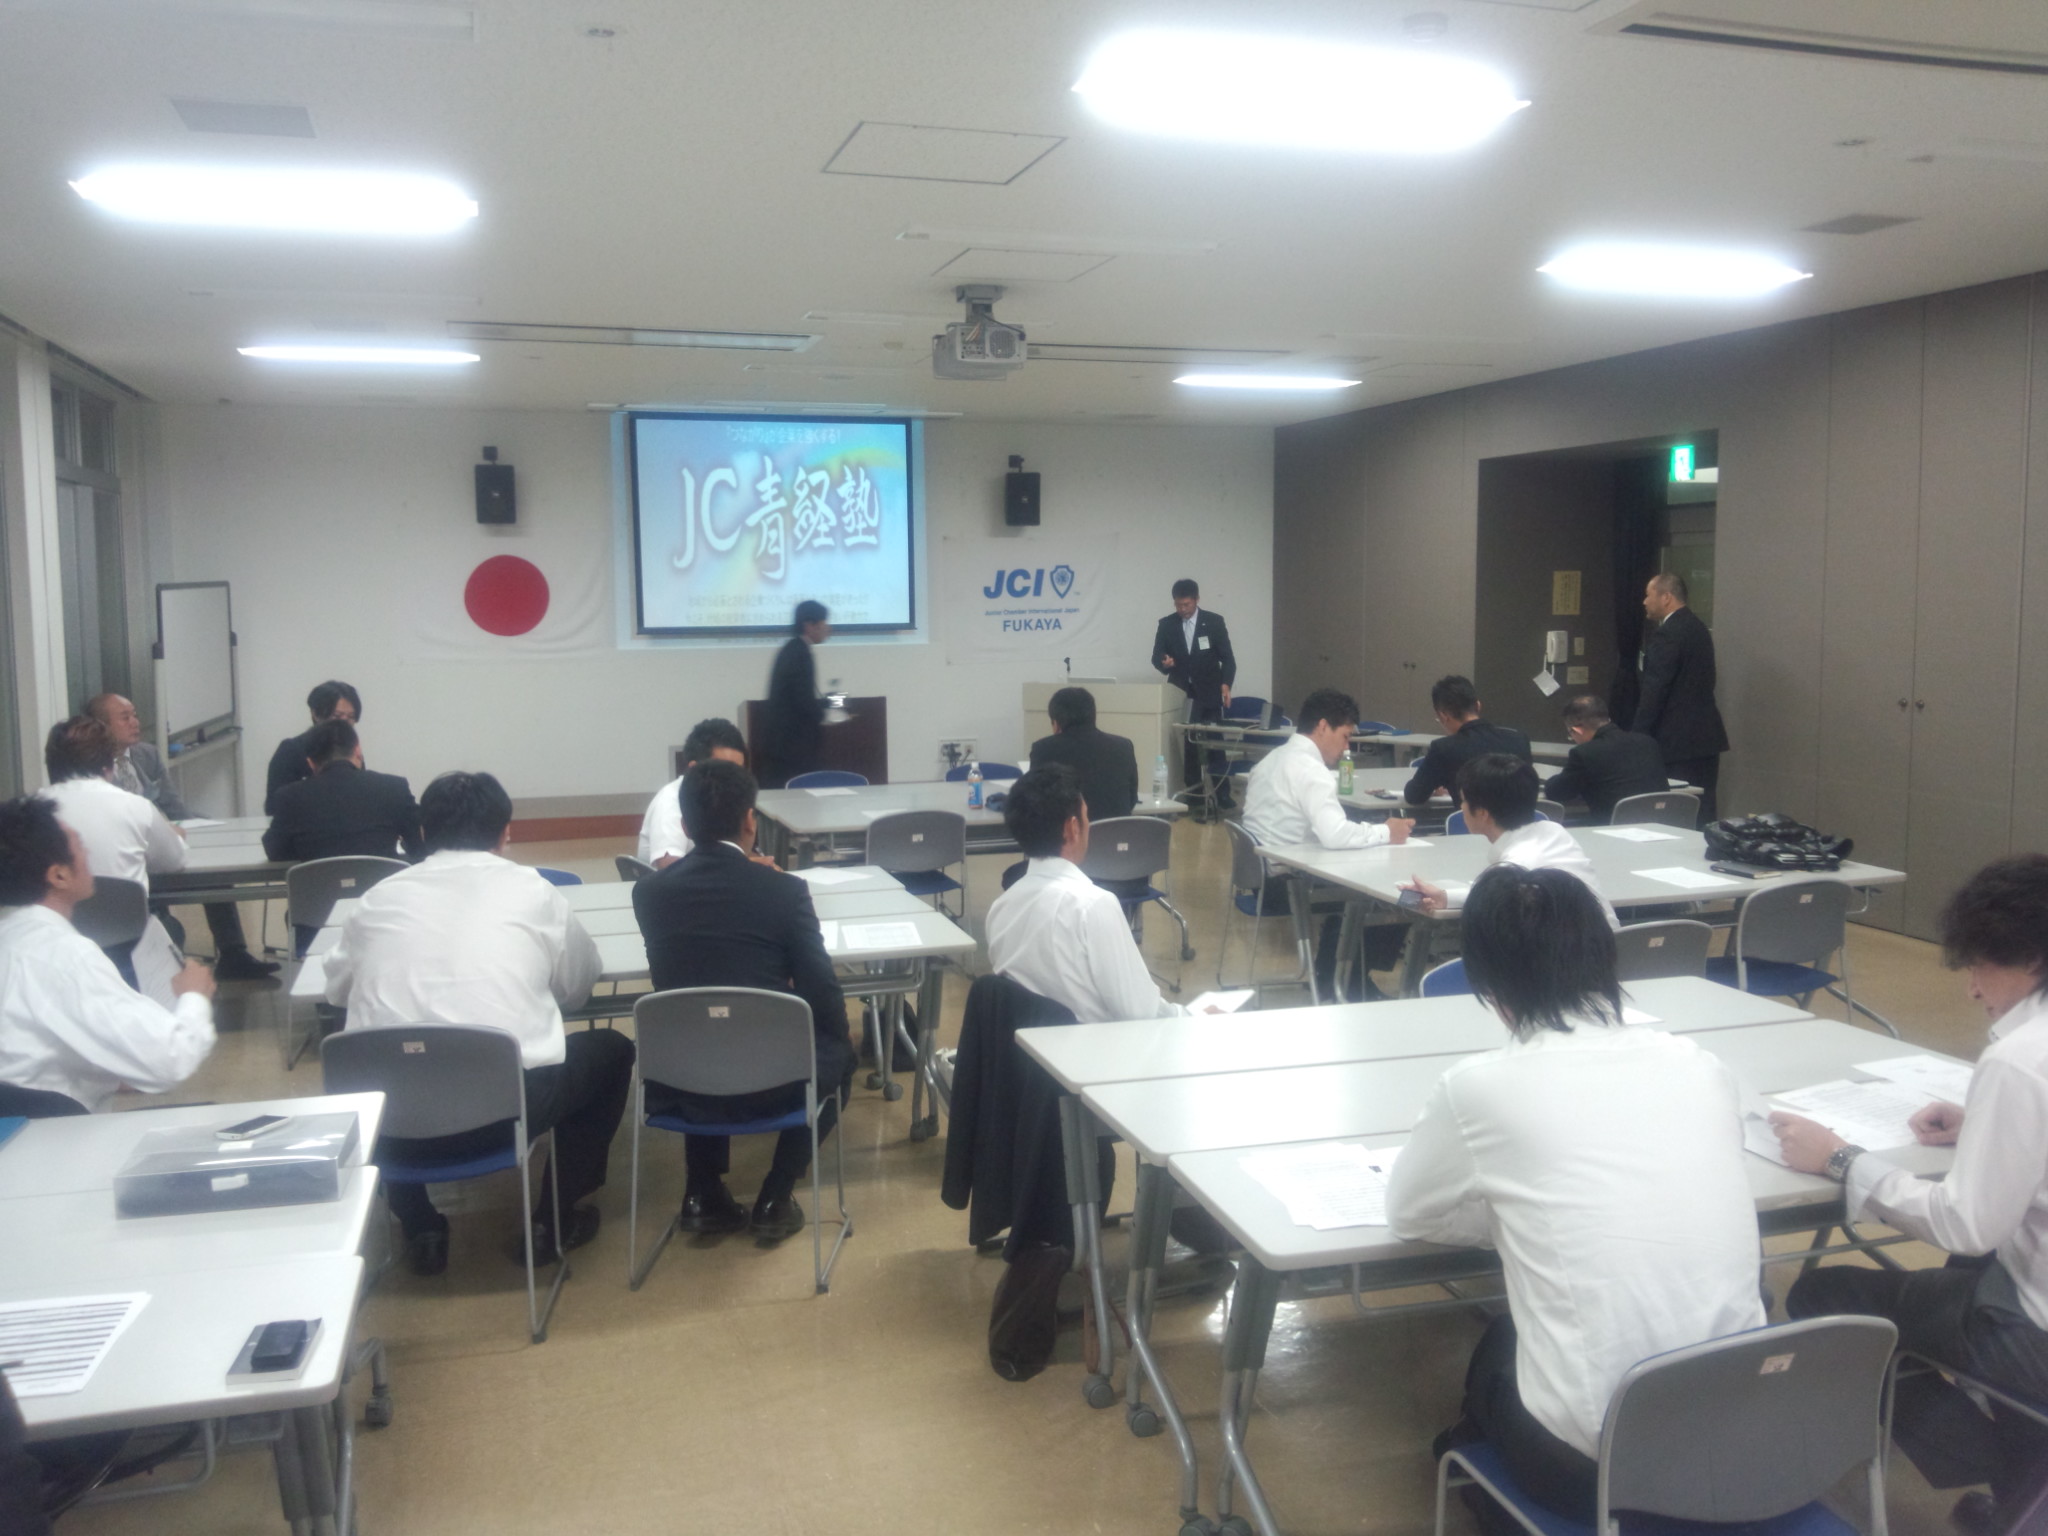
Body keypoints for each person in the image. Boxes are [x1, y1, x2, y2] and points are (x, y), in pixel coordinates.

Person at [1388, 864, 1764, 1524]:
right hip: (1753, 1436)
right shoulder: (1698, 1064)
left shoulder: (1479, 1086)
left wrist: (1516, 1218)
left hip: (1604, 1467)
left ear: (1487, 983)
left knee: (1496, 1356)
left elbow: (1410, 1214)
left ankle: (1482, 1480)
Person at [1773, 854, 2048, 1532]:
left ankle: (2017, 1485)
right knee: (1965, 1273)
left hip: (2039, 1327)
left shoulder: (2022, 1059)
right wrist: (1984, 1126)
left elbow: (1965, 1224)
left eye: (1980, 966)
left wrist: (1842, 1160)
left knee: (1825, 1298)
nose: (1972, 989)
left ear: (2034, 959)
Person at [324, 771, 631, 1276]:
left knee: (381, 1058)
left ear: (423, 832)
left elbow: (336, 991)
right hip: (504, 1114)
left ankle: (421, 1226)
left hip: (390, 1124)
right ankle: (552, 1222)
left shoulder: (376, 899)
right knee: (612, 1051)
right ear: (506, 833)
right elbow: (577, 988)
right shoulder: (534, 892)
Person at [631, 758, 856, 1240]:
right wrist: (835, 1041)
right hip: (773, 1080)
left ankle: (701, 1191)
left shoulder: (649, 893)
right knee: (840, 1053)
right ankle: (776, 1194)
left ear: (685, 826)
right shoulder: (785, 891)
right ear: (751, 819)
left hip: (681, 1081)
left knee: (701, 1025)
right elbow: (820, 990)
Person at [0, 797, 215, 1114]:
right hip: (54, 1132)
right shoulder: (66, 956)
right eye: (80, 846)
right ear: (59, 876)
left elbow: (31, 1051)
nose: (89, 856)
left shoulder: (12, 940)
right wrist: (194, 996)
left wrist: (111, 1073)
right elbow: (170, 1058)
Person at [86, 692, 276, 979]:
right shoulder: (95, 767)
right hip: (131, 854)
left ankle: (234, 953)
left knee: (215, 869)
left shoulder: (147, 754)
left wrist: (181, 829)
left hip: (162, 838)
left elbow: (175, 807)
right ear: (102, 726)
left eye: (135, 715)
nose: (135, 722)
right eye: (125, 718)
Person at [1242, 687, 1414, 1000]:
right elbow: (1334, 836)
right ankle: (1346, 983)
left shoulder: (1271, 760)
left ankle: (1335, 977)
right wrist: (1386, 832)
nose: (1347, 747)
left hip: (1261, 880)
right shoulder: (1311, 770)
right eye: (1345, 736)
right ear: (1323, 726)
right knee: (1397, 894)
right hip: (1289, 885)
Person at [986, 764, 1181, 1025]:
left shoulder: (1000, 909)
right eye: (1087, 817)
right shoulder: (1093, 906)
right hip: (1096, 1046)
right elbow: (1139, 1013)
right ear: (1072, 828)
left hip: (1028, 1047)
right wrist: (1190, 1017)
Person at [39, 716, 189, 989]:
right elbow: (175, 861)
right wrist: (174, 836)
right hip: (126, 946)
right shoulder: (135, 807)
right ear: (109, 765)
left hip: (51, 945)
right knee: (171, 928)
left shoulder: (30, 812)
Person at [1402, 754, 1619, 930]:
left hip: (1568, 964)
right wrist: (1445, 897)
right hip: (1611, 947)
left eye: (1464, 800)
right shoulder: (1554, 831)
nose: (1461, 807)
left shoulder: (1511, 871)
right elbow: (1507, 893)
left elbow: (1504, 891)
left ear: (1483, 813)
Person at [1632, 573, 1727, 822]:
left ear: (1666, 597)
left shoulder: (1668, 634)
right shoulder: (1698, 628)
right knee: (1703, 808)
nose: (1644, 601)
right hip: (1706, 736)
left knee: (1677, 812)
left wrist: (1637, 737)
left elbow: (1655, 689)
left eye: (1648, 595)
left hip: (1676, 741)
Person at [1150, 578, 1237, 810]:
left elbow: (1228, 659)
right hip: (1182, 694)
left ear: (1197, 600)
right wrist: (1164, 663)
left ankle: (1223, 793)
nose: (1183, 609)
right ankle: (1194, 796)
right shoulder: (1167, 624)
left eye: (1187, 604)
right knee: (1189, 746)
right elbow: (1156, 657)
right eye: (1178, 605)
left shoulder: (1214, 622)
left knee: (1215, 745)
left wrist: (1226, 684)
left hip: (1209, 693)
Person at [1402, 675, 1531, 808]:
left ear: (1443, 716)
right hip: (1517, 820)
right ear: (1478, 706)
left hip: (1470, 821)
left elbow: (1414, 796)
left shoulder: (1444, 748)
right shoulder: (1519, 740)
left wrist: (1436, 783)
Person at [637, 717, 749, 869]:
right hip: (675, 883)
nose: (734, 779)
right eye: (723, 770)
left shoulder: (719, 800)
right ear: (694, 769)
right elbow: (670, 868)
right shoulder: (670, 802)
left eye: (738, 771)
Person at [1542, 694, 1670, 824]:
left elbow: (1557, 792)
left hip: (1611, 828)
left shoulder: (1585, 753)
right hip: (1660, 826)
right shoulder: (1648, 743)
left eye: (1571, 734)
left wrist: (1551, 781)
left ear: (1577, 729)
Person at [1028, 686, 1139, 823]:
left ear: (1056, 724)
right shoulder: (1123, 747)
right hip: (1115, 834)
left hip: (1066, 835)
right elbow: (1132, 799)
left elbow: (1036, 803)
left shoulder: (1042, 749)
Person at [760, 599, 831, 789]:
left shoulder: (792, 649)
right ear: (809, 625)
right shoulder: (800, 653)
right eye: (823, 623)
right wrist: (823, 714)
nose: (828, 628)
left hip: (784, 746)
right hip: (793, 748)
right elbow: (803, 700)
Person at [266, 680, 362, 813]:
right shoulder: (290, 750)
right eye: (337, 716)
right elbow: (275, 806)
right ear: (316, 714)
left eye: (350, 717)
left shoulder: (352, 749)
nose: (344, 723)